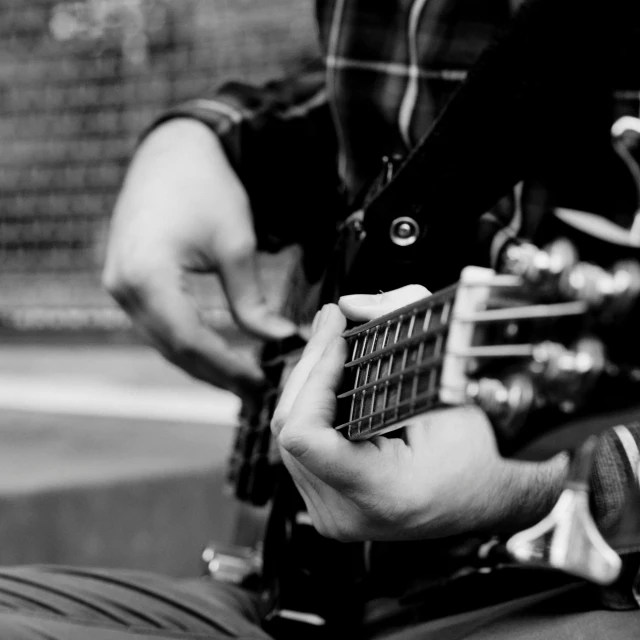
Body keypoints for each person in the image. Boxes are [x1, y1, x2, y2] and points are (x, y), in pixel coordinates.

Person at [0, 1, 637, 638]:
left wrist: (587, 468)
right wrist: (214, 142)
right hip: (302, 587)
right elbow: (411, 96)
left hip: (576, 590)